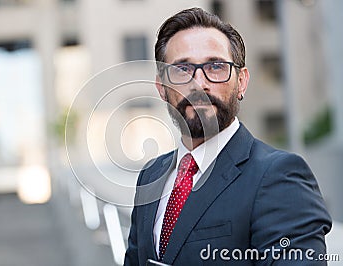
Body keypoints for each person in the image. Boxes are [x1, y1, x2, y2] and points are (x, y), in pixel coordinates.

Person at [124, 7, 331, 266]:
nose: (199, 83)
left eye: (216, 66)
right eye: (182, 69)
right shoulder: (151, 176)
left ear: (241, 82)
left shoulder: (279, 177)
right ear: (162, 88)